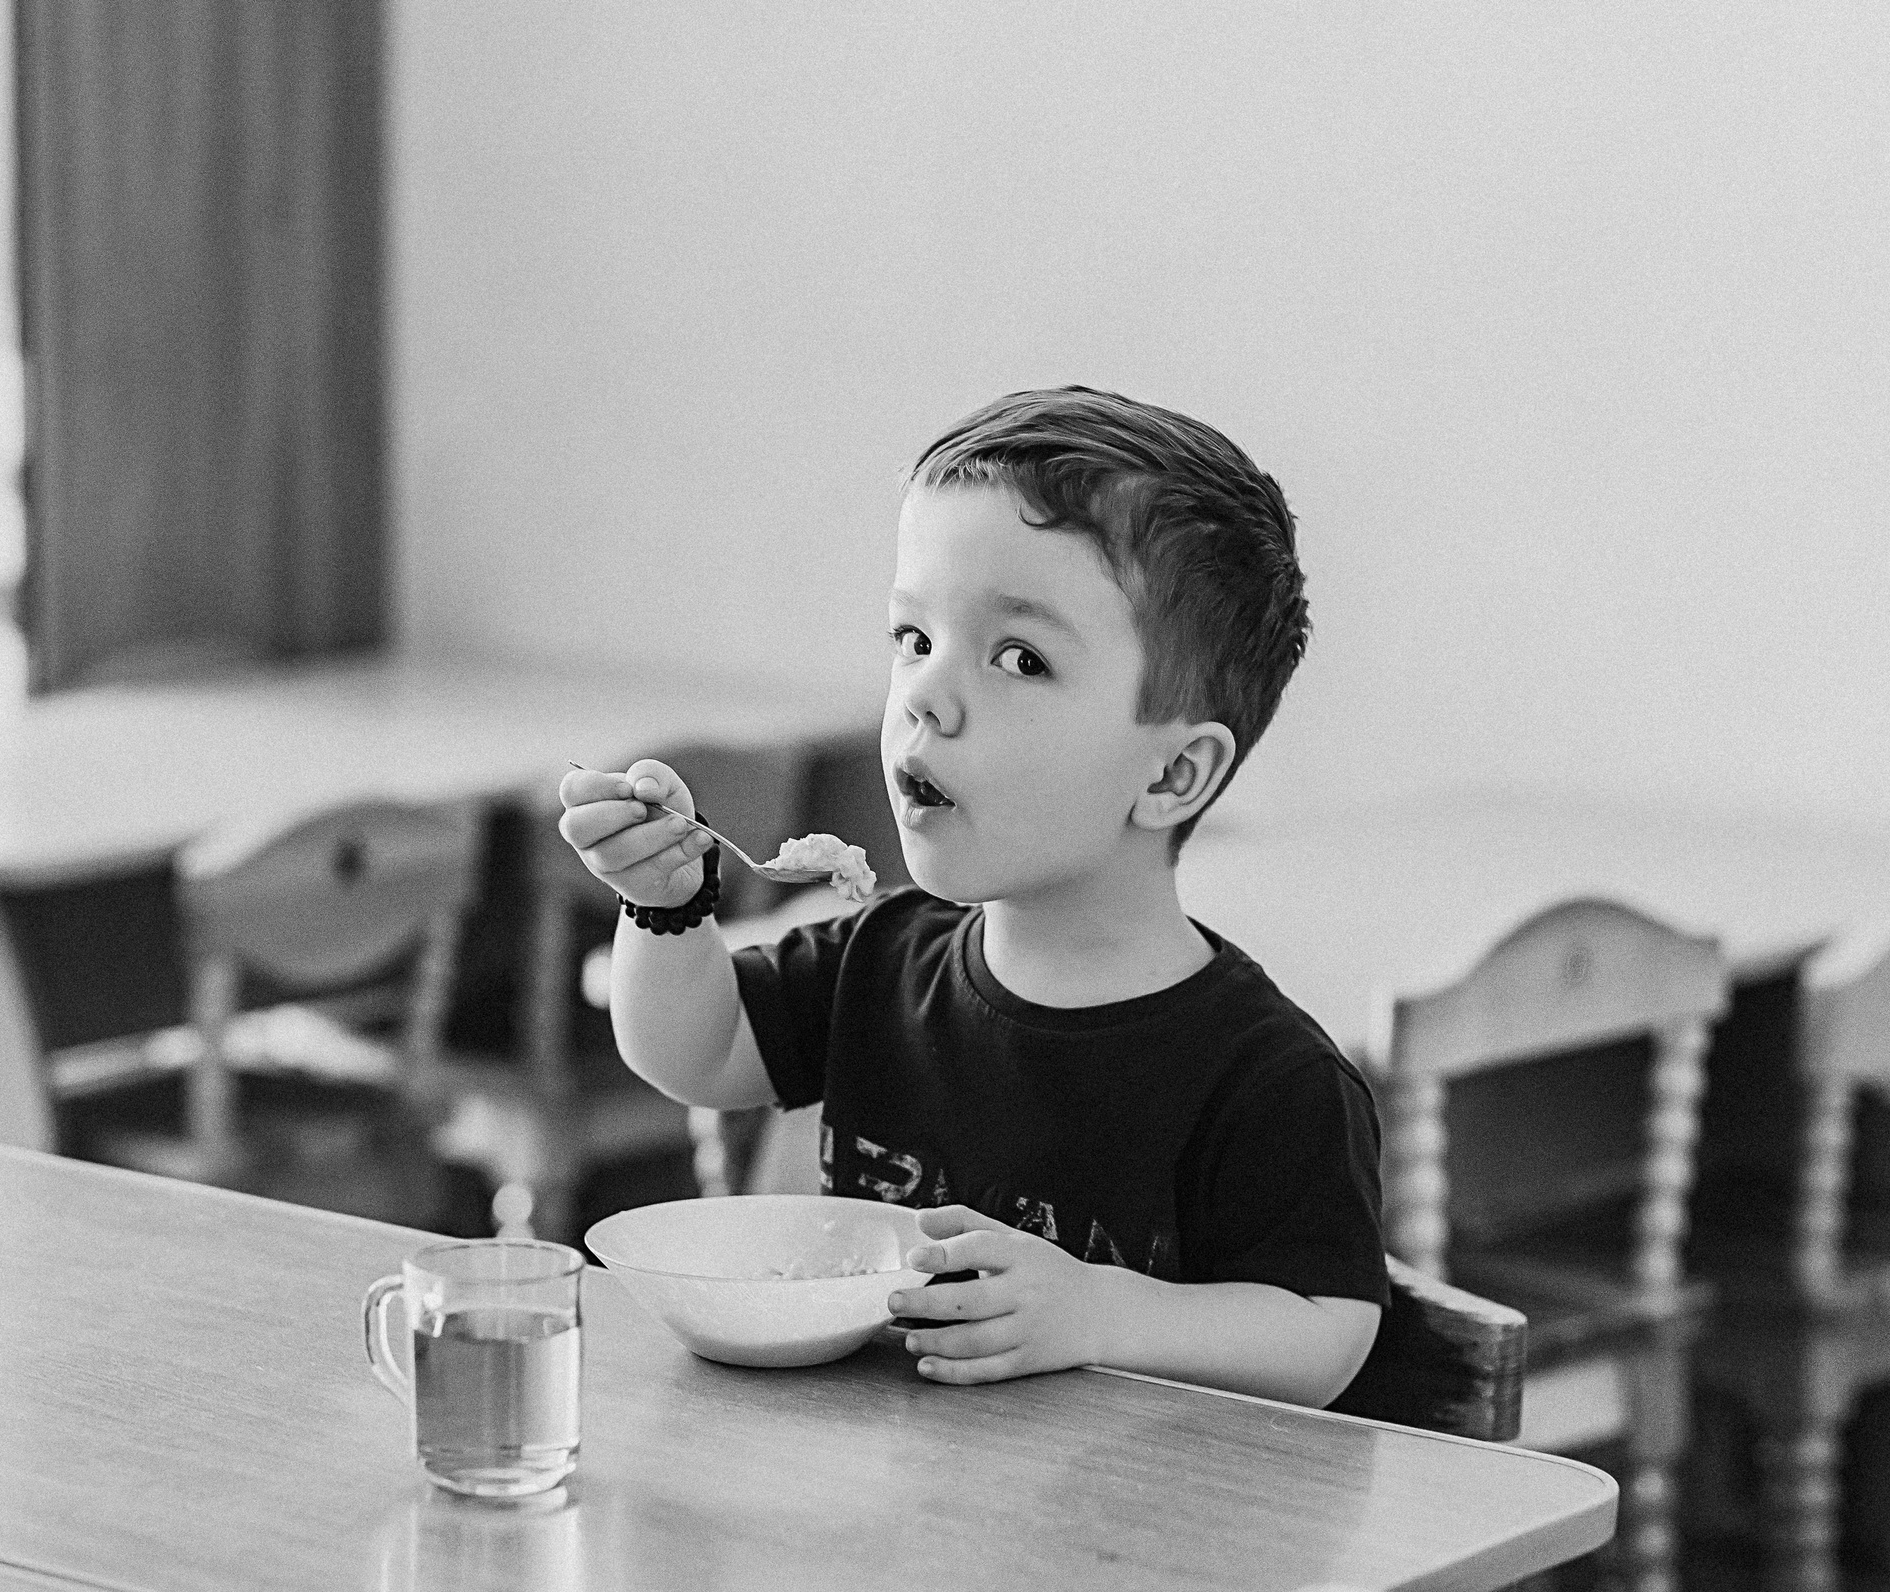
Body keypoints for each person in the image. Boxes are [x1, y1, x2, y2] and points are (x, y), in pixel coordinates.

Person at [556, 386, 1382, 1405]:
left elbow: (1325, 1330)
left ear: (1171, 777)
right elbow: (692, 1048)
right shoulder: (880, 959)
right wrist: (667, 908)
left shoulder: (1267, 1077)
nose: (926, 697)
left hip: (1128, 1542)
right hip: (901, 1516)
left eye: (1019, 658)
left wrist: (1098, 1310)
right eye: (912, 638)